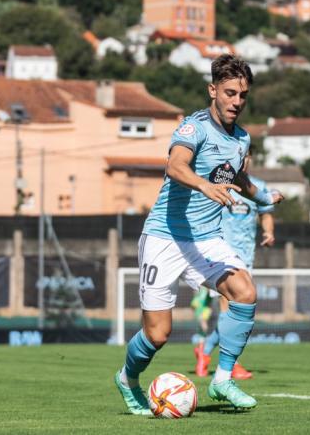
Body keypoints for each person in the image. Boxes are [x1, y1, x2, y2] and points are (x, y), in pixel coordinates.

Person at [113, 54, 284, 415]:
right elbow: (175, 165)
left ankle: (222, 379)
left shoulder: (242, 140)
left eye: (243, 95)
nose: (237, 101)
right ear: (213, 90)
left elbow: (240, 181)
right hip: (164, 237)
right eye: (230, 92)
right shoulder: (194, 128)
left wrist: (265, 197)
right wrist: (205, 187)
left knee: (245, 291)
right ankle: (128, 379)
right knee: (158, 334)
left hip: (206, 239)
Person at [195, 148, 276, 380]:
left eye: (246, 157)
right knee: (230, 310)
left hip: (246, 256)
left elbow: (266, 212)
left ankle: (205, 350)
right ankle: (231, 364)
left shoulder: (257, 186)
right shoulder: (218, 183)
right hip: (221, 255)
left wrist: (268, 232)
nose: (243, 161)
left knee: (237, 311)